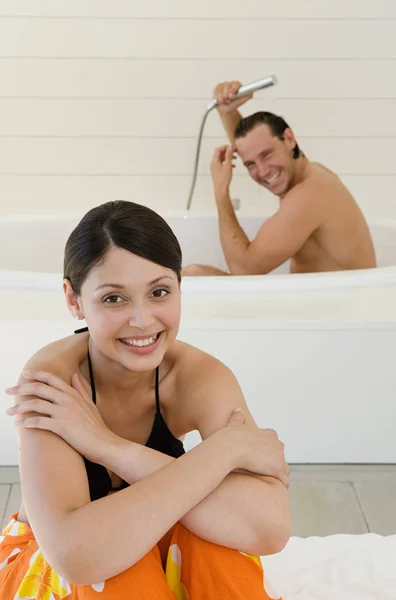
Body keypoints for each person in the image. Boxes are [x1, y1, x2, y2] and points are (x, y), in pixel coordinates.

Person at [1, 200, 290, 599]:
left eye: (159, 292)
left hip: (145, 541)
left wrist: (109, 447)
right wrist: (224, 453)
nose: (142, 320)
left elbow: (269, 528)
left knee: (215, 553)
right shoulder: (52, 383)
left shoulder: (198, 377)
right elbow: (75, 556)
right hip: (51, 564)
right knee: (120, 573)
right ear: (74, 300)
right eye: (114, 298)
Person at [182, 80, 376, 277]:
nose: (263, 171)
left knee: (194, 274)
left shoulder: (309, 195)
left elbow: (243, 270)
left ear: (289, 139)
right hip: (323, 297)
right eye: (251, 164)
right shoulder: (307, 173)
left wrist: (221, 190)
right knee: (192, 274)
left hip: (338, 304)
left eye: (267, 155)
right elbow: (254, 148)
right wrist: (227, 111)